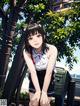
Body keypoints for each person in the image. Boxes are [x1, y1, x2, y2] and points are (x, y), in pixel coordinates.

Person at [23, 23, 58, 106]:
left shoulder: (52, 49)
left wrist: (44, 92)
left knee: (44, 103)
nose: (35, 40)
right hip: (35, 77)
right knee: (34, 102)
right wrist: (38, 91)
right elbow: (33, 72)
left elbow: (49, 73)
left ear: (43, 36)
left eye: (38, 36)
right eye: (31, 38)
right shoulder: (27, 51)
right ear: (27, 41)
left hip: (48, 78)